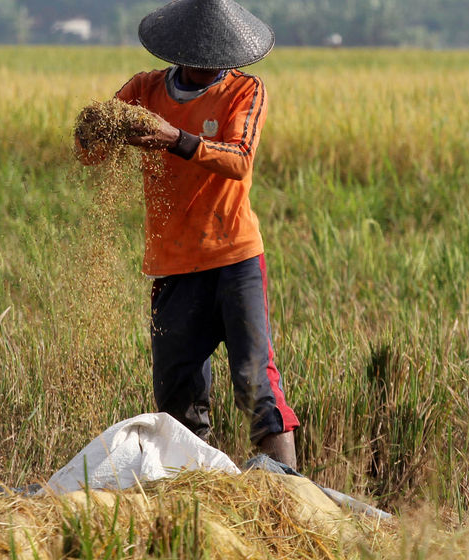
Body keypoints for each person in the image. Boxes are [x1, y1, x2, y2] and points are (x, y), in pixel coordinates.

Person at [76, 0, 300, 469]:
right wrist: (91, 132)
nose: (211, 63)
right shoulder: (144, 89)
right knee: (177, 395)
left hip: (234, 257)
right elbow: (92, 155)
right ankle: (191, 490)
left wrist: (174, 138)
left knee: (256, 381)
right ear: (182, 51)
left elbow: (239, 159)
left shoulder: (245, 91)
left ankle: (289, 488)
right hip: (172, 265)